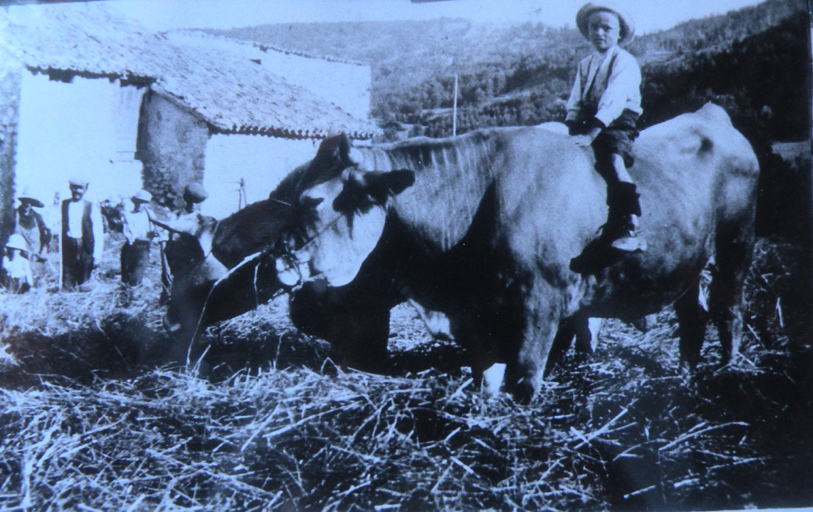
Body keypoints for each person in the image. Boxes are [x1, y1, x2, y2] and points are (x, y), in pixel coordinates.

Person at [566, 2, 646, 274]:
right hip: (590, 119)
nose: (599, 33)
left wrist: (590, 134)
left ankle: (629, 223)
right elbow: (575, 99)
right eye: (593, 27)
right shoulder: (585, 64)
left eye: (606, 28)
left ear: (619, 33)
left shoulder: (623, 61)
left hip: (617, 119)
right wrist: (572, 126)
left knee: (613, 159)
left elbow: (613, 101)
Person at [60, 177, 104, 290]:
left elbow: (98, 231)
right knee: (67, 282)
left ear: (85, 189)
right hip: (68, 246)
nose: (77, 191)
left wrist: (97, 255)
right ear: (70, 188)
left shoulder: (91, 206)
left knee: (83, 282)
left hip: (86, 247)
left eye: (80, 188)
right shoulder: (64, 204)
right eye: (74, 188)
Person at [120, 190, 156, 286]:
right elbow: (127, 232)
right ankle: (125, 297)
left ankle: (133, 294)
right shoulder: (128, 215)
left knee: (136, 276)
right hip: (130, 247)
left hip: (143, 248)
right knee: (125, 277)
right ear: (134, 202)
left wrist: (153, 235)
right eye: (138, 202)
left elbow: (154, 231)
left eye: (143, 203)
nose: (140, 205)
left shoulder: (149, 215)